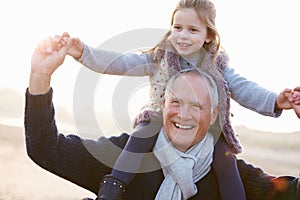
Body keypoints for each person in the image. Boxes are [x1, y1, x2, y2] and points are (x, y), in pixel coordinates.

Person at [52, 0, 300, 199]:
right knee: (139, 138)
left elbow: (245, 89)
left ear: (208, 36)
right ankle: (111, 190)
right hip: (160, 119)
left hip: (208, 130)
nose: (183, 35)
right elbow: (121, 63)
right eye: (177, 28)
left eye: (193, 30)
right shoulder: (160, 58)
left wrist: (276, 101)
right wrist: (83, 52)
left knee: (227, 165)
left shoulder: (217, 65)